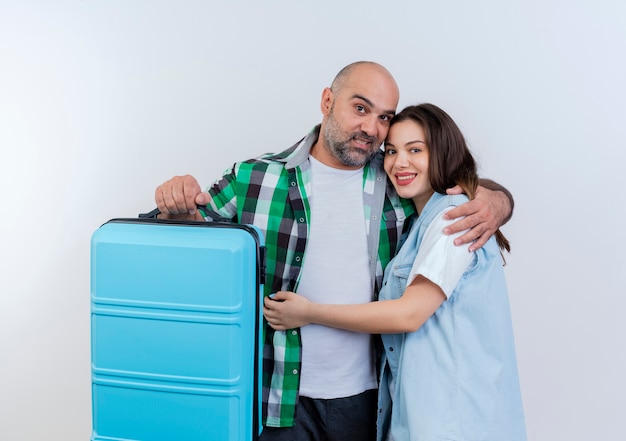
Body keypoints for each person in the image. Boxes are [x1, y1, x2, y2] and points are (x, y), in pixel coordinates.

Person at [154, 62, 514, 441]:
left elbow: (447, 184)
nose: (372, 129)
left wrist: (497, 200)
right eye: (360, 108)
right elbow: (191, 242)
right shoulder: (254, 178)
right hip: (277, 397)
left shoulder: (397, 180)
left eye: (384, 117)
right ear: (327, 101)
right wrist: (174, 204)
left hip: (371, 400)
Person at [263, 103, 526, 440]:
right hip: (419, 415)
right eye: (391, 151)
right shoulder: (418, 222)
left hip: (452, 421)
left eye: (415, 150)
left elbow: (409, 314)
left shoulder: (455, 217)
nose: (399, 162)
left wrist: (310, 312)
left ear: (443, 151)